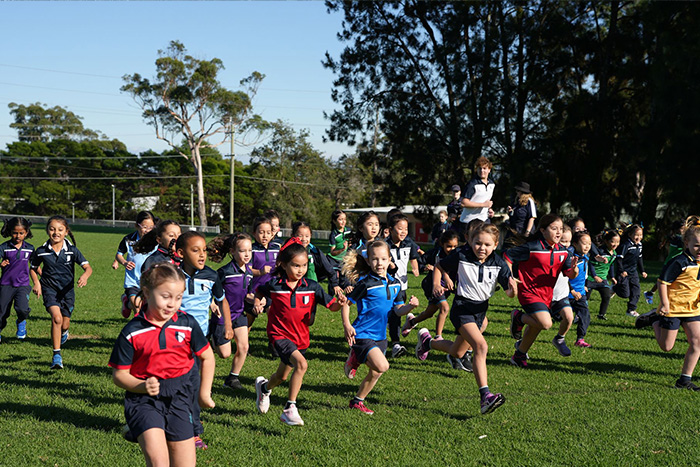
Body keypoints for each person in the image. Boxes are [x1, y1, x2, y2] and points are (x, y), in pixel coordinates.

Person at [109, 262, 216, 466]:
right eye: (165, 297)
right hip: (143, 401)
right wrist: (142, 386)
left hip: (180, 397)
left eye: (178, 298)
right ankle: (141, 427)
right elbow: (119, 375)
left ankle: (138, 430)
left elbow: (208, 357)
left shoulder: (187, 323)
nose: (172, 304)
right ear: (147, 293)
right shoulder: (132, 331)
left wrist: (204, 394)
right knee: (159, 462)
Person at [422, 223, 516, 414]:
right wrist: (436, 284)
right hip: (462, 309)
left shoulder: (499, 264)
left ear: (496, 245)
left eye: (487, 245)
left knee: (457, 352)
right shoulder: (462, 256)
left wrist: (513, 289)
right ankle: (485, 397)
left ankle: (427, 343)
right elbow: (439, 266)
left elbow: (509, 293)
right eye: (478, 243)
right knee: (481, 346)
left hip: (480, 312)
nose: (482, 248)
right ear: (471, 242)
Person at [253, 238, 343, 426]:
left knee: (282, 376)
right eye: (295, 266)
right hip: (279, 335)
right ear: (284, 265)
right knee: (301, 365)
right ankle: (289, 408)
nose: (300, 270)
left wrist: (341, 303)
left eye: (303, 265)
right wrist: (257, 301)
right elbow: (260, 291)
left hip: (300, 338)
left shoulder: (312, 287)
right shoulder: (275, 285)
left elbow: (332, 307)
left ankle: (264, 388)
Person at [341, 241, 419, 414]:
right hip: (362, 333)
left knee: (376, 372)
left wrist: (410, 307)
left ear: (390, 260)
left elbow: (398, 310)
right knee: (383, 366)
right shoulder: (365, 283)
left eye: (383, 259)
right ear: (368, 261)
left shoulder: (395, 283)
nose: (379, 263)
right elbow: (347, 304)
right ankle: (356, 356)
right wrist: (347, 325)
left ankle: (357, 401)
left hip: (380, 336)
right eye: (375, 259)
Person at [175, 231, 227, 450]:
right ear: (180, 253)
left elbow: (221, 300)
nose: (202, 254)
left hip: (199, 341)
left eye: (204, 250)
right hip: (173, 341)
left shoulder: (212, 276)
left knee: (193, 388)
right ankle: (147, 424)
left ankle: (194, 432)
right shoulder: (172, 275)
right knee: (169, 387)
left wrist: (227, 325)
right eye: (195, 250)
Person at [505, 214, 578, 368]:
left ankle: (519, 356)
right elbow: (507, 256)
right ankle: (518, 317)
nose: (558, 232)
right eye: (554, 229)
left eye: (560, 229)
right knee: (545, 323)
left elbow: (570, 274)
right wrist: (510, 278)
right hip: (528, 292)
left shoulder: (563, 252)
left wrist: (575, 269)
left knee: (536, 325)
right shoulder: (532, 247)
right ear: (543, 230)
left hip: (547, 295)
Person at [634, 225, 700, 390]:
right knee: (666, 347)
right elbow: (662, 282)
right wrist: (664, 303)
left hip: (692, 309)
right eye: (697, 245)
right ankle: (655, 319)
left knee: (697, 343)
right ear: (687, 243)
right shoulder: (679, 261)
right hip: (673, 309)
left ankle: (684, 381)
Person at [30, 216, 92, 369]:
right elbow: (32, 268)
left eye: (60, 230)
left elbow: (88, 267)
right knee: (56, 319)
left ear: (66, 232)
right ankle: (56, 356)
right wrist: (37, 283)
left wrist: (85, 276)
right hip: (49, 289)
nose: (55, 232)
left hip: (67, 292)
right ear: (47, 231)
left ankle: (64, 332)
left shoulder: (72, 251)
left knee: (64, 323)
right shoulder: (41, 251)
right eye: (52, 229)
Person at [208, 232, 254, 391]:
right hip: (222, 315)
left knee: (244, 347)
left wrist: (254, 300)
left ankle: (232, 378)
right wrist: (212, 303)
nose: (247, 254)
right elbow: (211, 290)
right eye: (242, 251)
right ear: (232, 252)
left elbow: (247, 292)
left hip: (239, 314)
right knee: (225, 354)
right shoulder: (224, 272)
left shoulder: (248, 272)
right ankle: (211, 336)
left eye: (249, 250)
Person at [401, 229, 459, 346]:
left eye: (455, 246)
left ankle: (412, 321)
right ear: (442, 244)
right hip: (432, 286)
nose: (452, 249)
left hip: (446, 289)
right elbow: (421, 261)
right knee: (444, 308)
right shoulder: (435, 253)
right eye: (449, 246)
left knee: (429, 313)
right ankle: (438, 337)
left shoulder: (457, 255)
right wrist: (424, 267)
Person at [384, 213, 420, 358]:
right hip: (387, 287)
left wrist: (416, 268)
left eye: (406, 228)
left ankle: (395, 342)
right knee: (392, 315)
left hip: (402, 286)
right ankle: (396, 344)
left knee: (395, 315)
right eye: (400, 228)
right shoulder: (384, 245)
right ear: (391, 229)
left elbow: (413, 258)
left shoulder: (409, 244)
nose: (403, 231)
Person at [112, 211, 156, 318]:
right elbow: (119, 254)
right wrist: (124, 262)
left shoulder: (156, 240)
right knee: (138, 306)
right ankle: (140, 329)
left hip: (150, 281)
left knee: (149, 307)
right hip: (132, 281)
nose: (147, 230)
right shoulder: (129, 239)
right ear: (137, 225)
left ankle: (126, 304)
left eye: (151, 227)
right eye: (145, 227)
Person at [0, 217, 38, 342]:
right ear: (10, 232)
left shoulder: (30, 248)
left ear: (26, 232)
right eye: (15, 232)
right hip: (5, 284)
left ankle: (21, 321)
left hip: (23, 285)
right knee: (2, 312)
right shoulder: (4, 247)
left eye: (21, 233)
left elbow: (34, 266)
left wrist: (40, 280)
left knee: (22, 308)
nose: (18, 236)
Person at [644, 217, 697, 304]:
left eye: (685, 228)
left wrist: (662, 243)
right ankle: (655, 295)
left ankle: (651, 293)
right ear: (677, 229)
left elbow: (666, 237)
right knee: (664, 280)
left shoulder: (673, 237)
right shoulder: (679, 239)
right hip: (672, 262)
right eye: (682, 228)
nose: (684, 230)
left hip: (676, 262)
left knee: (665, 279)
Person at [247, 216, 282, 331]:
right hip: (255, 291)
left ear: (273, 233)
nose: (265, 235)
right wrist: (260, 272)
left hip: (272, 290)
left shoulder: (277, 248)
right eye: (261, 232)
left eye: (268, 232)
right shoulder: (251, 250)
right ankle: (241, 344)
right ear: (254, 233)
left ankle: (275, 343)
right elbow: (247, 270)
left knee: (274, 318)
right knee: (248, 321)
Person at [549, 225, 575, 357]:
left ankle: (560, 338)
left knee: (569, 317)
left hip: (561, 295)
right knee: (538, 325)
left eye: (569, 241)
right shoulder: (548, 252)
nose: (566, 244)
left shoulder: (568, 255)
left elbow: (569, 275)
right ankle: (522, 343)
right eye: (563, 241)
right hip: (545, 295)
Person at [613, 223, 647, 318]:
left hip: (633, 272)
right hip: (623, 272)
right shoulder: (626, 245)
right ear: (630, 235)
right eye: (636, 235)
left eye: (641, 235)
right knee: (625, 294)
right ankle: (615, 288)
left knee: (636, 291)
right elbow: (619, 259)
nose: (639, 237)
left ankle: (631, 309)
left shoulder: (639, 246)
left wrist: (642, 271)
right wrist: (621, 271)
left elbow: (639, 259)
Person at [458, 157, 495, 240]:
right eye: (479, 168)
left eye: (484, 168)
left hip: (483, 220)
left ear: (489, 170)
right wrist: (483, 205)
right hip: (468, 222)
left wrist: (489, 209)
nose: (482, 171)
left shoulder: (492, 184)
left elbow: (485, 201)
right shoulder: (472, 184)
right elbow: (464, 203)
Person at [587, 229, 620, 320]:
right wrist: (594, 276)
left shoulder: (614, 253)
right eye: (613, 242)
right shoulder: (600, 252)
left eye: (618, 242)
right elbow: (591, 263)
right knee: (585, 297)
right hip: (591, 278)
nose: (615, 244)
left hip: (603, 279)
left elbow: (611, 264)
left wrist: (612, 277)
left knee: (606, 296)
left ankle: (601, 315)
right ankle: (579, 314)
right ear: (606, 241)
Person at [568, 231, 593, 348]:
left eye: (589, 243)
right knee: (556, 316)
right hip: (566, 293)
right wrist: (572, 290)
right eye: (584, 243)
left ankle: (580, 339)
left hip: (580, 294)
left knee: (585, 314)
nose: (587, 246)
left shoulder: (586, 258)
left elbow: (584, 274)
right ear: (575, 244)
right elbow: (563, 277)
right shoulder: (571, 258)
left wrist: (584, 285)